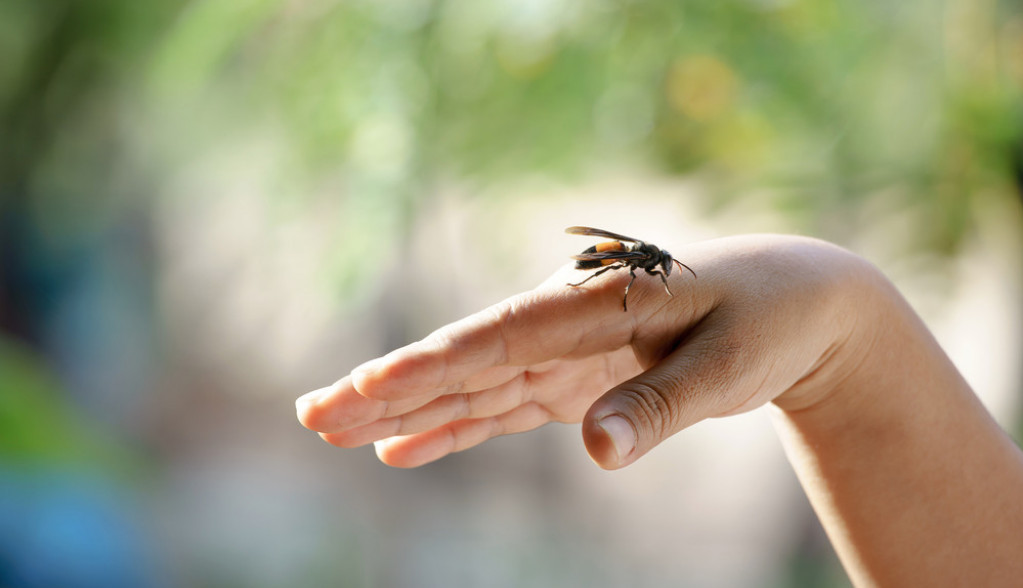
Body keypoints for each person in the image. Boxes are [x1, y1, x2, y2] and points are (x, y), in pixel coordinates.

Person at [295, 233, 1023, 586]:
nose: (658, 275)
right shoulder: (636, 265)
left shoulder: (653, 267)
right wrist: (840, 323)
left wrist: (842, 330)